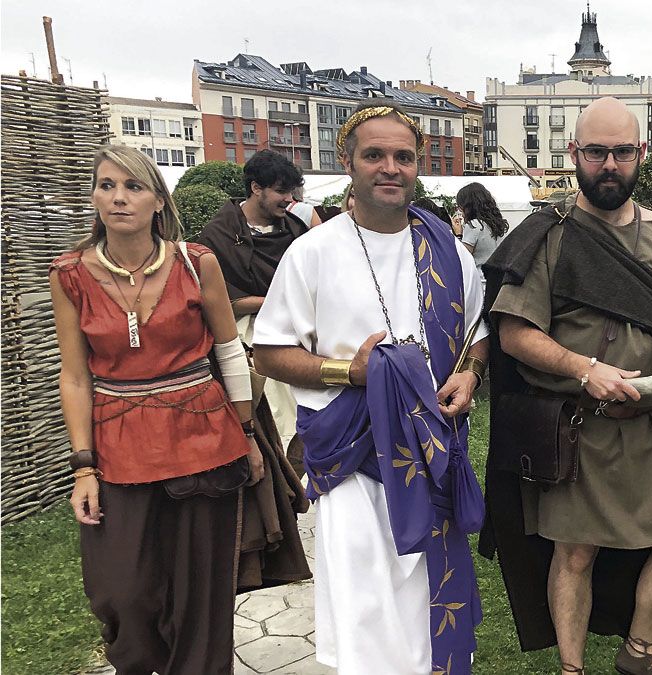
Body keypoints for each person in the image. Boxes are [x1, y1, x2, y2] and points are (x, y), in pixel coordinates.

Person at [480, 97, 652, 675]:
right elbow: (516, 333)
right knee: (575, 554)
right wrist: (584, 369)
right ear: (575, 155)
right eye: (597, 152)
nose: (610, 164)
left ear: (641, 154)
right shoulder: (550, 235)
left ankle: (638, 651)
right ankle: (572, 669)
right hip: (580, 432)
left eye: (622, 152)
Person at [253, 100, 488, 674]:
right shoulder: (314, 252)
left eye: (403, 156)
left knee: (427, 604)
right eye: (375, 155)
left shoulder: (449, 252)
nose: (390, 167)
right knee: (364, 610)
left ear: (417, 164)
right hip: (354, 460)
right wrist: (348, 372)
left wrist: (471, 372)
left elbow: (479, 332)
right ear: (348, 162)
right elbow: (268, 352)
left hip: (432, 454)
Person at [50, 145, 263, 674]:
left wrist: (249, 433)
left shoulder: (197, 262)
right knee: (122, 592)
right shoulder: (71, 273)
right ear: (94, 195)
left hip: (204, 438)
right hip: (117, 445)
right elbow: (75, 376)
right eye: (106, 185)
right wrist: (83, 468)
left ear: (158, 201)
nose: (118, 198)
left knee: (201, 598)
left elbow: (229, 349)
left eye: (133, 186)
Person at [195, 149, 309, 456]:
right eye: (281, 191)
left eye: (291, 193)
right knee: (269, 423)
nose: (288, 199)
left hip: (298, 335)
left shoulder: (296, 231)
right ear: (256, 188)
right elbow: (224, 303)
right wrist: (278, 301)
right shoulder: (218, 235)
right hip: (246, 345)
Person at [456, 181, 510, 276]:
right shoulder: (498, 224)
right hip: (498, 277)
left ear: (468, 206)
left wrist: (458, 235)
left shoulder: (474, 225)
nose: (459, 210)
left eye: (460, 206)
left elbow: (463, 257)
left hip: (479, 278)